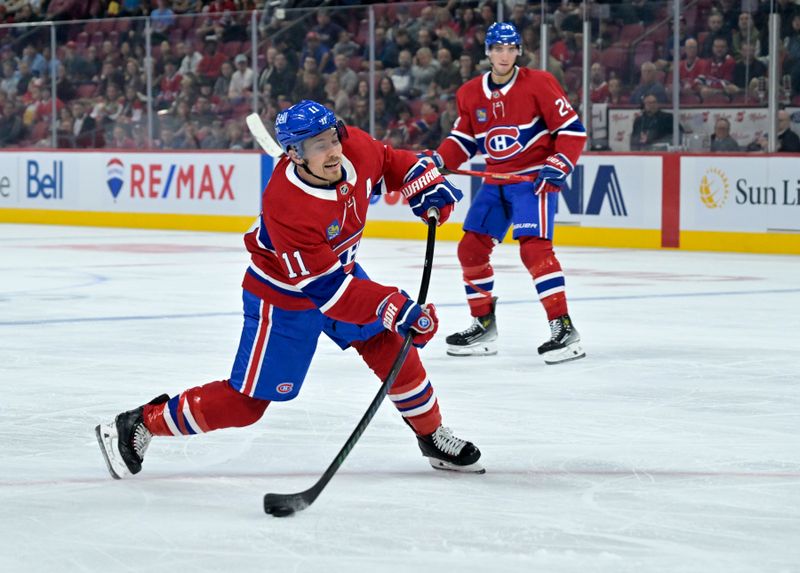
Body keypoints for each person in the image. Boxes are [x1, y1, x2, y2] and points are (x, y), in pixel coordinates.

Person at [95, 99, 484, 479]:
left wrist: (422, 180)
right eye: (319, 146)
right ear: (295, 155)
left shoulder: (355, 149)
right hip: (284, 298)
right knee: (247, 405)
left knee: (392, 347)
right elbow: (330, 293)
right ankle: (139, 423)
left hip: (341, 274)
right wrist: (393, 307)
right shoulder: (287, 205)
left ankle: (431, 435)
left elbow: (390, 163)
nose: (334, 151)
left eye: (333, 138)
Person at [430, 22, 587, 364]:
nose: (504, 55)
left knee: (534, 251)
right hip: (496, 182)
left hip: (532, 181)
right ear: (487, 52)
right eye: (497, 48)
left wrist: (560, 162)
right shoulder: (470, 93)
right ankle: (483, 324)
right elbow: (463, 140)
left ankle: (563, 327)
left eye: (510, 48)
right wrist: (439, 159)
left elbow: (572, 131)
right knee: (470, 249)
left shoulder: (540, 83)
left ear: (519, 51)